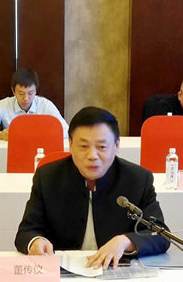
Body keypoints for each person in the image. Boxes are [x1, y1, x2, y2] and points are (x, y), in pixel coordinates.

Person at [15, 107, 170, 269]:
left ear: (117, 145)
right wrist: (36, 241)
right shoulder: (48, 176)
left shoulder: (138, 179)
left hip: (115, 272)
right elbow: (27, 231)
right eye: (83, 146)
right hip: (62, 273)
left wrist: (125, 241)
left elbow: (161, 235)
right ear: (70, 144)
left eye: (101, 147)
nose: (92, 156)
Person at [0, 69, 68, 140]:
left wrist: (43, 135)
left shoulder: (45, 105)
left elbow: (66, 131)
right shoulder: (4, 105)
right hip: (13, 150)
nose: (26, 98)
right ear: (13, 91)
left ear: (36, 90)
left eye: (30, 93)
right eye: (21, 93)